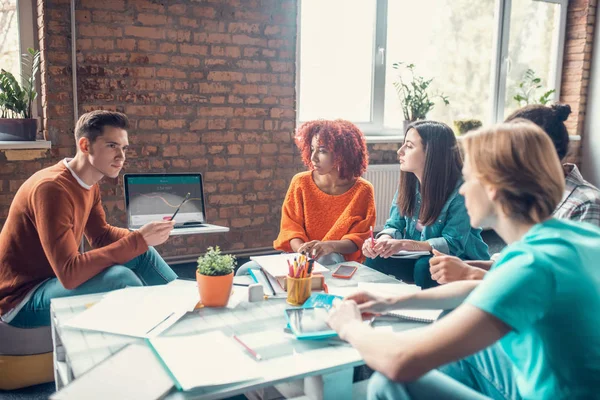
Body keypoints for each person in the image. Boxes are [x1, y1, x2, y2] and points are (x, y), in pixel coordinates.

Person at [327, 120, 600, 400]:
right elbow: (490, 283)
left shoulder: (532, 266)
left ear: (492, 188)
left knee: (390, 383)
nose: (461, 190)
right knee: (451, 333)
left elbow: (399, 363)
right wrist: (389, 302)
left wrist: (349, 326)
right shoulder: (571, 236)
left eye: (469, 180)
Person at [0, 110, 178, 328]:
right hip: (21, 300)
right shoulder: (52, 189)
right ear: (85, 146)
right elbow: (70, 274)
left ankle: (186, 309)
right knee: (121, 278)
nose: (121, 157)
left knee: (143, 252)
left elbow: (101, 235)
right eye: (112, 146)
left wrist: (143, 237)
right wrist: (137, 241)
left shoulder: (88, 183)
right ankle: (148, 340)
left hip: (52, 280)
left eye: (124, 148)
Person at [429, 103, 600, 284]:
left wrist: (470, 274)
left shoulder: (586, 203)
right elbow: (515, 263)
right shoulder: (528, 193)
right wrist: (466, 266)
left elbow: (559, 288)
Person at [236, 119, 376, 276]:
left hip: (336, 259)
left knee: (326, 260)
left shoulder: (362, 190)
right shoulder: (300, 182)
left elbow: (358, 240)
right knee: (244, 271)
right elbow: (290, 229)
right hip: (298, 258)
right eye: (312, 149)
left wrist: (329, 246)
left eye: (322, 151)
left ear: (342, 154)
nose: (313, 157)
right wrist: (301, 250)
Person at [363, 121, 489, 288]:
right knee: (376, 258)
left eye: (409, 146)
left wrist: (405, 244)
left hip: (460, 260)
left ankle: (426, 311)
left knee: (426, 267)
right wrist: (383, 241)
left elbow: (452, 244)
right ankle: (376, 307)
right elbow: (394, 224)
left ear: (431, 153)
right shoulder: (409, 184)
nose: (400, 151)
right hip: (419, 256)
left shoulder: (462, 191)